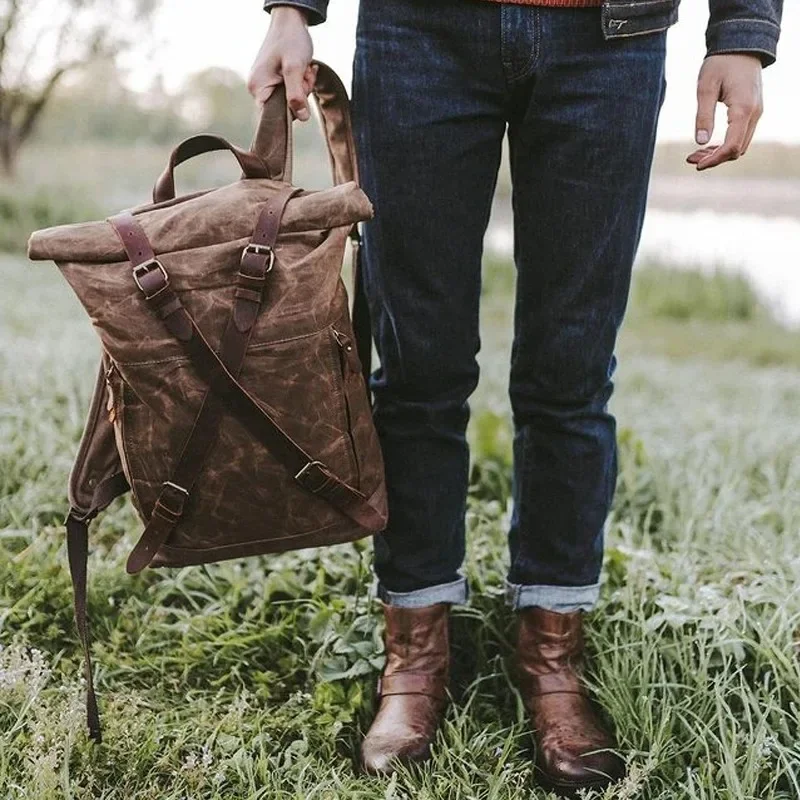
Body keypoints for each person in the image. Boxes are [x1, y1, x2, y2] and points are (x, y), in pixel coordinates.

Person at [248, 0, 782, 793]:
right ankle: (416, 653)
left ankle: (553, 657)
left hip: (611, 41)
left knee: (570, 372)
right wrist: (291, 9)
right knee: (418, 367)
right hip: (418, 31)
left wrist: (742, 34)